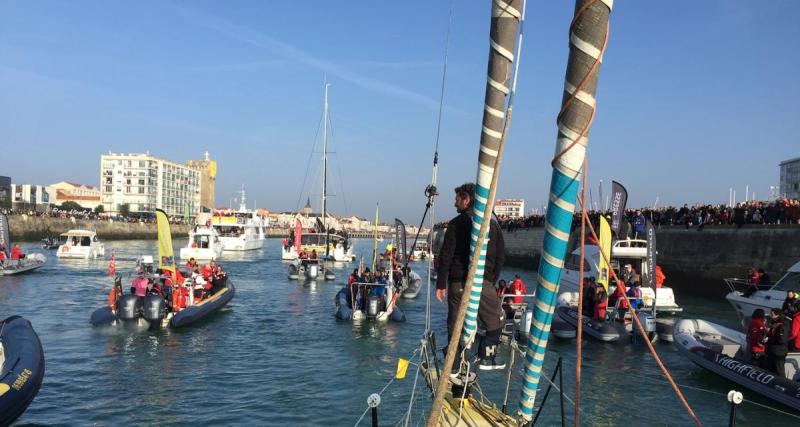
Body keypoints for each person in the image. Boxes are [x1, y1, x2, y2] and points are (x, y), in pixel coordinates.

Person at [436, 182, 506, 371]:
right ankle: (486, 357)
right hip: (481, 284)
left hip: (457, 284)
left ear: (467, 200)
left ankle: (455, 367)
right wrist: (489, 281)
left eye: (457, 199)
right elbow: (500, 256)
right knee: (496, 321)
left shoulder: (455, 224)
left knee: (455, 327)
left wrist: (441, 284)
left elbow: (446, 256)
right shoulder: (492, 225)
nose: (454, 204)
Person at [765, 308, 789, 378]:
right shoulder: (773, 323)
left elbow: (782, 339)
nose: (770, 315)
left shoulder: (783, 325)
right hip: (772, 351)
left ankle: (783, 385)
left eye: (772, 314)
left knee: (780, 371)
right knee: (771, 370)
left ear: (777, 315)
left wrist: (769, 339)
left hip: (779, 352)